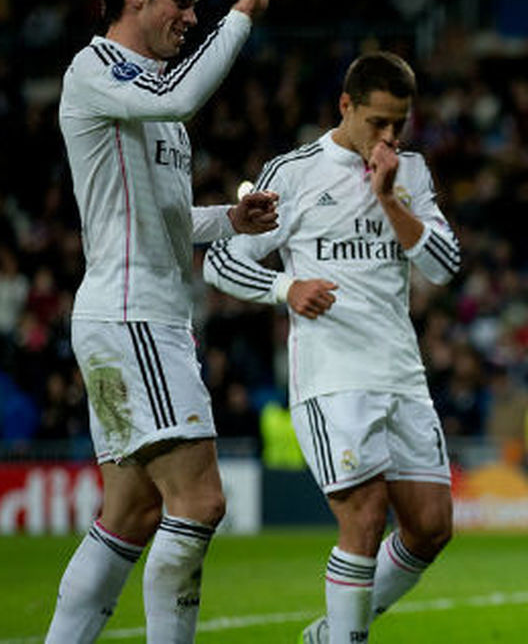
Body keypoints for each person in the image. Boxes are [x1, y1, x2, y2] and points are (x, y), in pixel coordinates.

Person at [46, 0, 274, 644]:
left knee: (132, 515)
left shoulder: (146, 96)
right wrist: (241, 13)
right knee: (201, 500)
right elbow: (180, 99)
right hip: (132, 316)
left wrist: (229, 219)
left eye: (201, 6)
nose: (191, 16)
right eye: (182, 1)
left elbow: (161, 218)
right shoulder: (98, 70)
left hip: (143, 316)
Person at [203, 52, 460, 643]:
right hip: (332, 377)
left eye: (401, 122)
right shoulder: (293, 173)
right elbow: (221, 262)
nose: (390, 135)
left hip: (401, 374)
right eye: (378, 122)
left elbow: (445, 266)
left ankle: (329, 634)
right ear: (346, 106)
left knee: (430, 528)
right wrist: (286, 287)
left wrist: (389, 197)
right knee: (365, 517)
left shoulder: (411, 173)